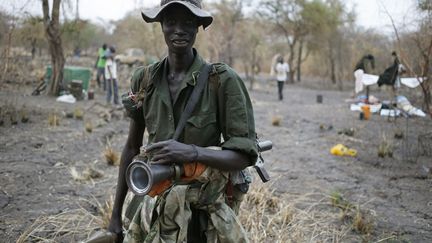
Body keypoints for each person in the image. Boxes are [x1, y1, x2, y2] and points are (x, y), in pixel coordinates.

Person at [108, 1, 258, 242]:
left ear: (199, 26)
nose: (179, 29)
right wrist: (115, 216)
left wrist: (191, 152)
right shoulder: (144, 79)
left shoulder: (222, 80)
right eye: (171, 22)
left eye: (188, 22)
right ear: (161, 26)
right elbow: (131, 148)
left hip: (202, 216)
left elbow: (244, 156)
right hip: (151, 205)